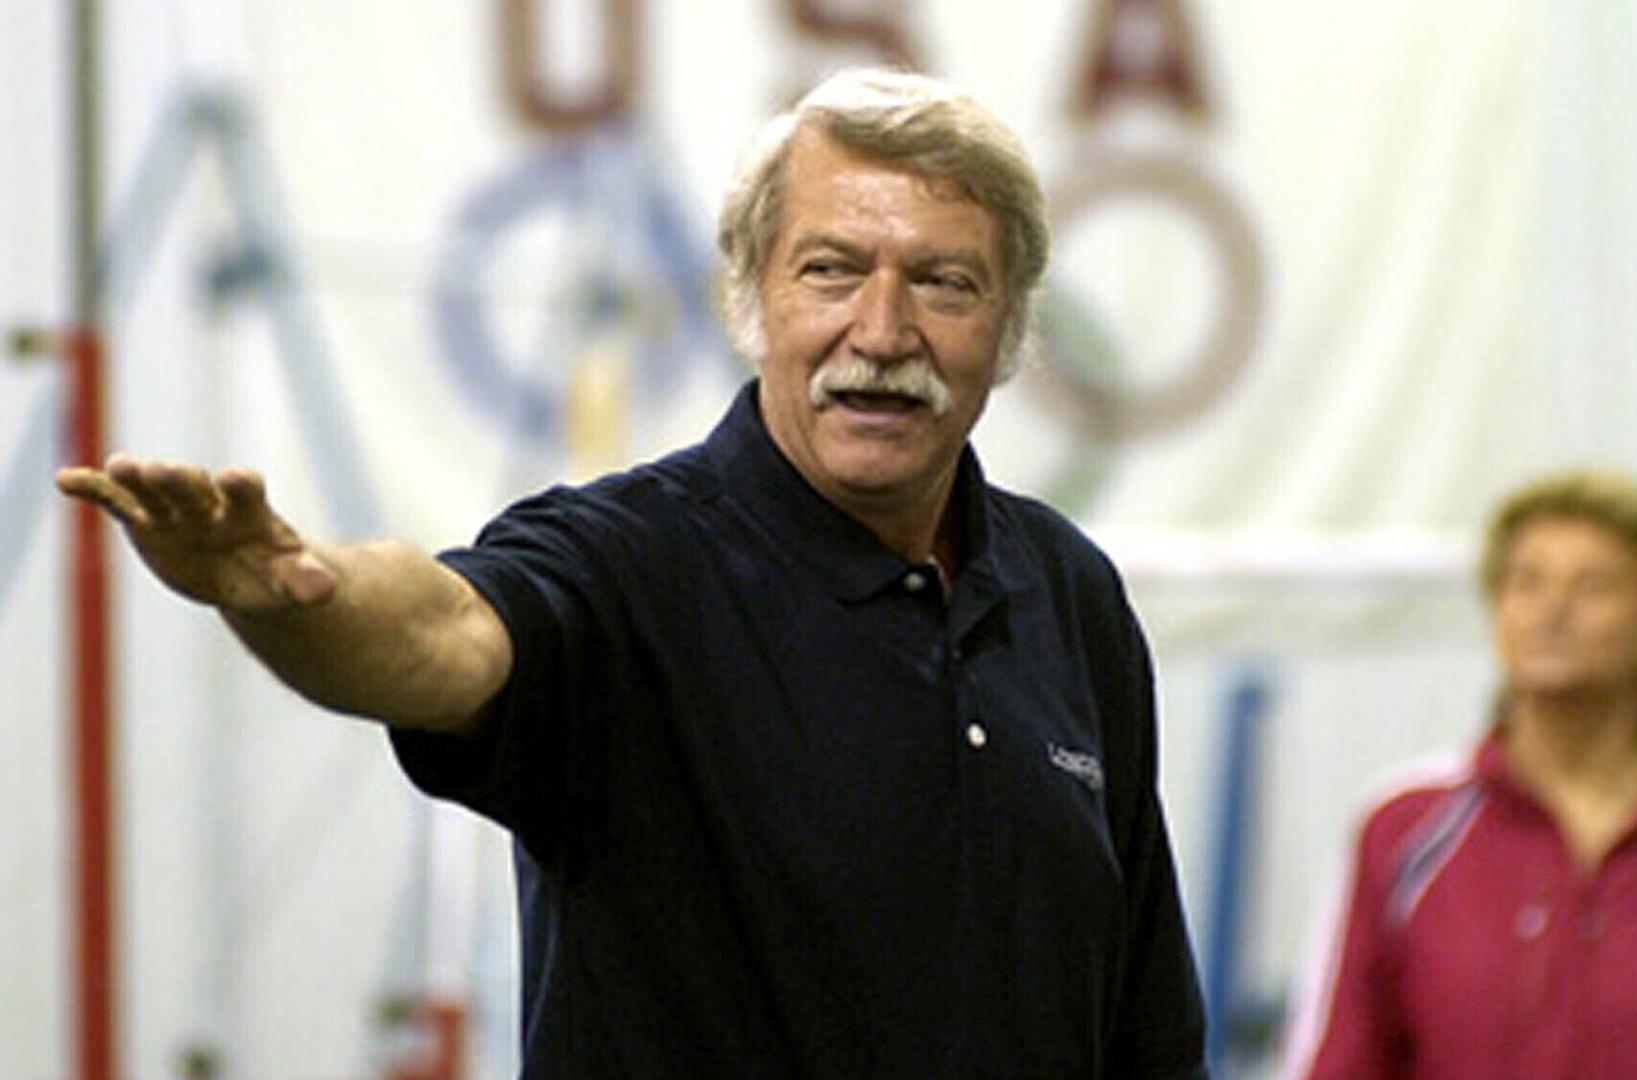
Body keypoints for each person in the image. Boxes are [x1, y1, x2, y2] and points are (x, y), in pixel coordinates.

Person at [56, 68, 1209, 1078]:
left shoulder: (1067, 592)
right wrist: (295, 599)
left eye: (944, 283)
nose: (882, 329)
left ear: (1008, 328)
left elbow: (1146, 1028)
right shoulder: (629, 569)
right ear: (752, 299)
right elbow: (448, 639)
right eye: (830, 269)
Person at [1276, 468, 1637, 1080]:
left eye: (1592, 587)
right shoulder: (1402, 833)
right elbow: (1339, 1061)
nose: (1552, 610)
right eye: (1526, 583)